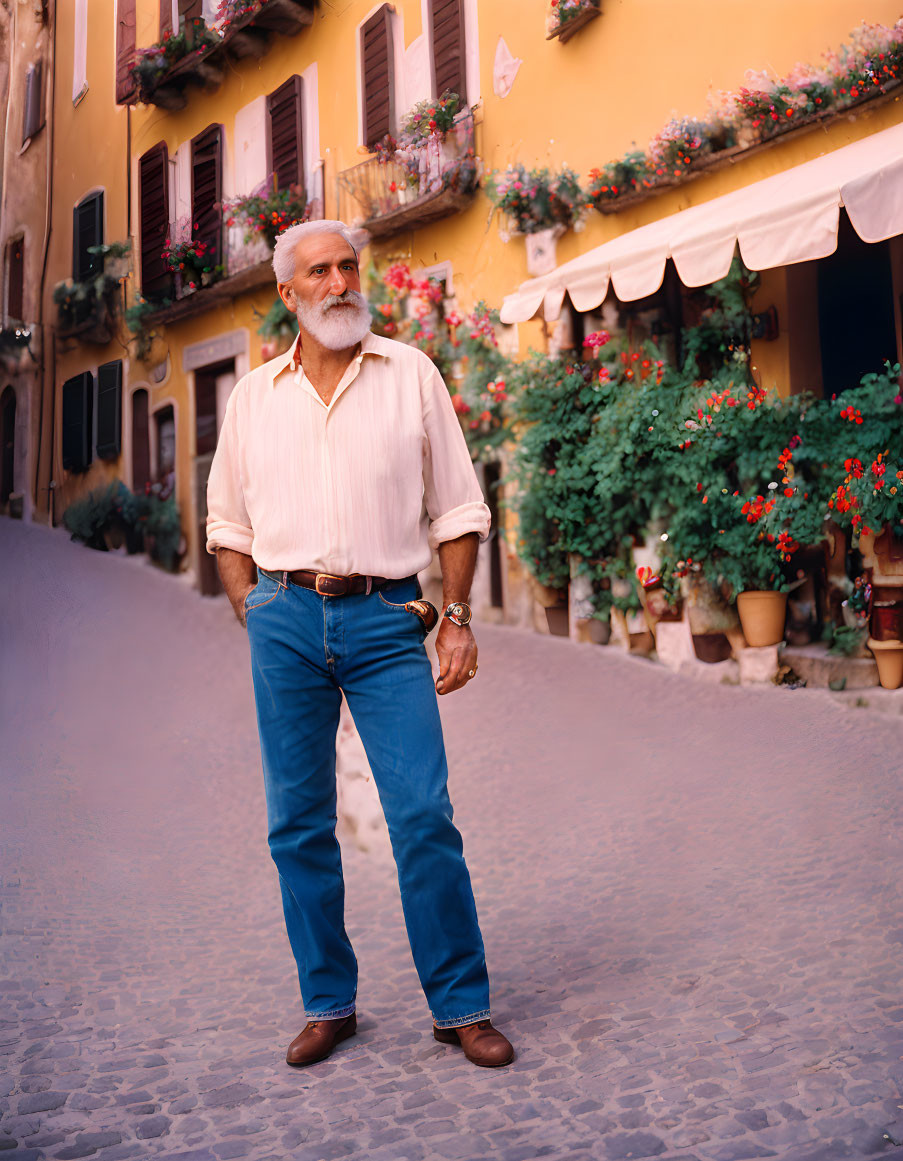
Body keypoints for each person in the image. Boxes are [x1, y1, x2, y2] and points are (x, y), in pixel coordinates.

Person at [204, 219, 514, 1070]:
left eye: (348, 266)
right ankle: (327, 1000)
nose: (339, 281)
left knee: (421, 816)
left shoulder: (409, 373)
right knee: (298, 824)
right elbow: (226, 521)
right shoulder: (253, 396)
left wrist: (456, 616)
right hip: (286, 621)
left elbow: (458, 506)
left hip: (386, 621)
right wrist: (254, 609)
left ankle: (459, 1004)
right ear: (287, 291)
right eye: (319, 271)